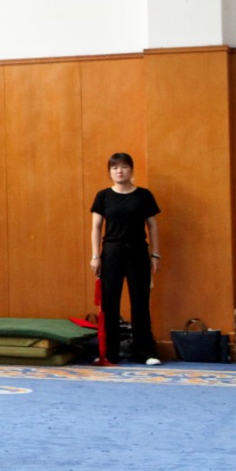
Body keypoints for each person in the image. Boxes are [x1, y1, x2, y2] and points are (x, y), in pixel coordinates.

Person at [90, 152, 162, 365]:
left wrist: (155, 254)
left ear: (131, 170)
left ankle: (144, 352)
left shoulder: (144, 195)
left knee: (140, 302)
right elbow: (96, 227)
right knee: (109, 303)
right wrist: (95, 256)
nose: (119, 171)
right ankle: (109, 353)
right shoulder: (103, 196)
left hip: (138, 251)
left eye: (123, 167)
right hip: (111, 252)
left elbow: (152, 226)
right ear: (110, 172)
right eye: (114, 168)